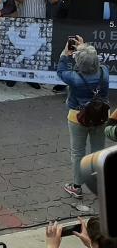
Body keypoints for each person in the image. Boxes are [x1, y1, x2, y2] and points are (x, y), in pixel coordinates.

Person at [57, 37, 109, 199]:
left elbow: (61, 70)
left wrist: (66, 53)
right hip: (101, 116)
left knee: (78, 152)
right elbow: (93, 62)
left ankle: (77, 186)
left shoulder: (74, 78)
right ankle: (99, 187)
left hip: (78, 117)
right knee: (98, 152)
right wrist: (85, 48)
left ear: (78, 62)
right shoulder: (104, 72)